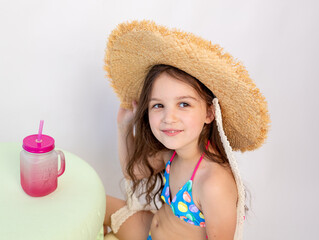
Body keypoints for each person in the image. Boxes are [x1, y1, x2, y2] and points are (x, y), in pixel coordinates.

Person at [103, 20, 270, 240]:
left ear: (209, 113)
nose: (168, 118)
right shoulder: (173, 155)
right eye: (158, 105)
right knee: (94, 201)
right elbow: (132, 172)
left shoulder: (212, 182)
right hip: (149, 230)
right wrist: (124, 127)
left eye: (184, 104)